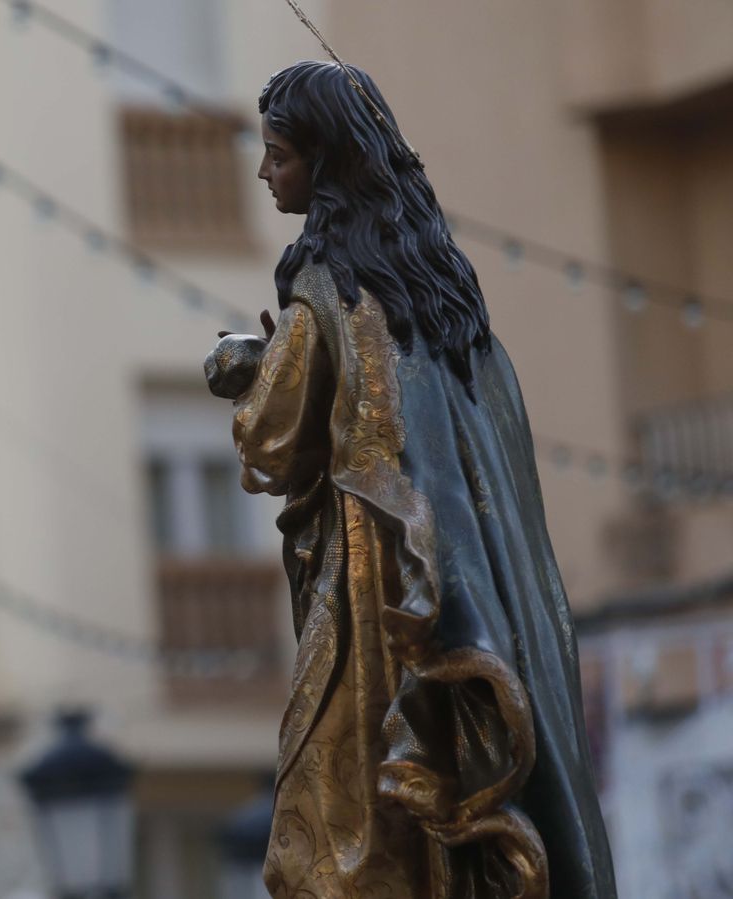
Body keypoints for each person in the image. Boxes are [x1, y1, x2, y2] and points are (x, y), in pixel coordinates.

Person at [205, 60, 616, 899]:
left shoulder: (328, 284)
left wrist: (239, 368)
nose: (263, 171)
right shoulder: (447, 305)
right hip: (470, 605)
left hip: (375, 607)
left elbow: (274, 442)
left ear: (325, 162)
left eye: (277, 153)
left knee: (345, 824)